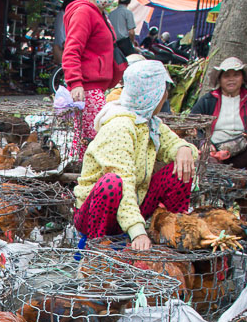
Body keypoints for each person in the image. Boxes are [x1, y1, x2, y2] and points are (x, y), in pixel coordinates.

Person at [72, 59, 198, 251]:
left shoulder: (149, 122)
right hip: (97, 213)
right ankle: (97, 250)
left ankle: (175, 237)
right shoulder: (119, 126)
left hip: (133, 205)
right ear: (153, 95)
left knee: (178, 170)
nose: (165, 96)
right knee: (112, 183)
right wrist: (137, 231)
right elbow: (124, 182)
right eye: (163, 90)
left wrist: (184, 150)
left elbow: (172, 143)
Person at [62, 0, 136, 161]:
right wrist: (75, 82)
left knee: (89, 144)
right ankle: (81, 186)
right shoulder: (85, 12)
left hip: (97, 89)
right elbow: (72, 49)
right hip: (87, 89)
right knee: (93, 144)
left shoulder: (101, 14)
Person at [189, 56, 247, 170]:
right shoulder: (208, 100)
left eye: (236, 75)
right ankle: (232, 176)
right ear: (220, 79)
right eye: (226, 76)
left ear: (243, 78)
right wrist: (204, 143)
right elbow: (193, 123)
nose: (231, 79)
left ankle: (236, 174)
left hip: (243, 148)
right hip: (215, 151)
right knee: (205, 160)